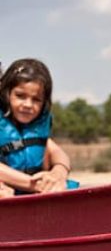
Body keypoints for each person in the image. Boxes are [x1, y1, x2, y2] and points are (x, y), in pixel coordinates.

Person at [0, 58, 76, 197]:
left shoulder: (35, 126)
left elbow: (57, 153)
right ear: (7, 94)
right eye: (20, 96)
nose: (28, 104)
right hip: (19, 188)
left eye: (36, 99)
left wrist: (58, 172)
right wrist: (34, 184)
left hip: (33, 188)